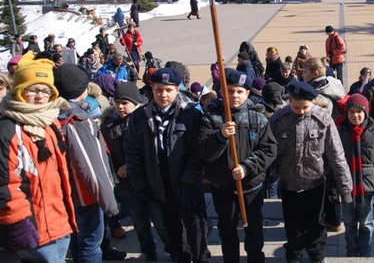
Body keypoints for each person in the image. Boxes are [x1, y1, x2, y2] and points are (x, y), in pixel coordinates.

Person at [124, 68, 210, 263]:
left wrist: (189, 180)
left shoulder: (190, 115)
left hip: (187, 184)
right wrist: (140, 184)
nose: (163, 95)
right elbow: (133, 153)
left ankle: (201, 259)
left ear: (177, 90)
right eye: (158, 90)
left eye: (168, 90)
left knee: (196, 227)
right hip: (158, 184)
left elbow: (198, 151)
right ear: (151, 90)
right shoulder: (139, 117)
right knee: (172, 230)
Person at [0, 52, 76, 263]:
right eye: (32, 90)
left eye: (45, 90)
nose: (40, 96)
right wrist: (17, 222)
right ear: (19, 91)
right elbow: (4, 184)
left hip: (59, 219)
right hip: (34, 226)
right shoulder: (8, 129)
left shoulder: (49, 122)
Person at [269, 81, 352, 263]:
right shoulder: (278, 120)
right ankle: (294, 258)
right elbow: (268, 153)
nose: (301, 111)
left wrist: (345, 188)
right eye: (296, 107)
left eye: (305, 107)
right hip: (289, 185)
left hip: (315, 184)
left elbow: (336, 155)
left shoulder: (323, 120)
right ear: (289, 101)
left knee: (316, 225)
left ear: (313, 102)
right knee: (293, 227)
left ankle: (317, 257)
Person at [200, 68, 277, 263]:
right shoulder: (211, 117)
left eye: (239, 91)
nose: (235, 96)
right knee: (227, 230)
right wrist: (220, 136)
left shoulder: (258, 118)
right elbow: (203, 152)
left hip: (251, 187)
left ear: (247, 93)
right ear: (222, 91)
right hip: (223, 187)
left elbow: (269, 150)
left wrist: (246, 167)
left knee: (254, 230)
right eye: (230, 91)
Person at [52, 63, 121, 262]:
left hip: (66, 193)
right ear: (83, 88)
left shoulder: (53, 115)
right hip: (86, 195)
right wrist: (110, 204)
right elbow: (91, 166)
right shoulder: (77, 121)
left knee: (76, 241)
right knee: (91, 244)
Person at [101, 81, 174, 261]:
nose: (120, 107)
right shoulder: (107, 127)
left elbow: (154, 151)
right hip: (126, 186)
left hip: (149, 182)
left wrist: (131, 166)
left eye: (125, 103)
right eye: (117, 102)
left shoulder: (146, 122)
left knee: (161, 222)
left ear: (135, 103)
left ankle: (174, 250)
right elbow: (106, 155)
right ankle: (149, 252)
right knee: (140, 224)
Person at [337, 93, 374, 258]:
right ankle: (351, 250)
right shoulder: (341, 133)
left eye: (359, 111)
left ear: (366, 112)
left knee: (366, 222)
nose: (355, 115)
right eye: (351, 112)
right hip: (347, 186)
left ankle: (365, 252)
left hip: (367, 186)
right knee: (349, 222)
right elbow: (335, 162)